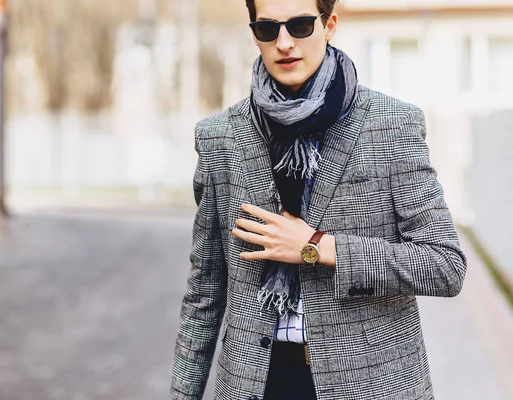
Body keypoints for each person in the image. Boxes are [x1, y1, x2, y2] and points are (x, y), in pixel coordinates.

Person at [170, 0, 467, 399]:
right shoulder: (220, 137)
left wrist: (316, 246)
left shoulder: (390, 125)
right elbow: (204, 292)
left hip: (370, 384)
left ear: (329, 25)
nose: (285, 42)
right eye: (268, 29)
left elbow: (445, 265)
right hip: (254, 383)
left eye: (300, 25)